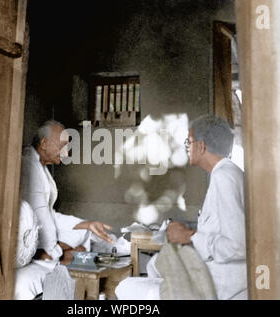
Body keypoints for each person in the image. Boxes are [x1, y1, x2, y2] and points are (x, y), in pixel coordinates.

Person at [116, 115, 247, 300]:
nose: (187, 146)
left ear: (201, 146)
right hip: (220, 274)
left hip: (223, 282)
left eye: (190, 141)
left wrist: (190, 236)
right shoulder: (228, 172)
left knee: (127, 288)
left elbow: (238, 246)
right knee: (155, 263)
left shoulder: (224, 177)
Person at [14, 120, 113, 299]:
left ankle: (56, 254)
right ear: (44, 144)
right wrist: (52, 251)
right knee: (81, 253)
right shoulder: (29, 165)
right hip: (31, 238)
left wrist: (86, 224)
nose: (66, 153)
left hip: (46, 236)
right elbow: (41, 215)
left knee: (84, 237)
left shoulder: (40, 166)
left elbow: (50, 214)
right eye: (63, 146)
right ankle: (52, 255)